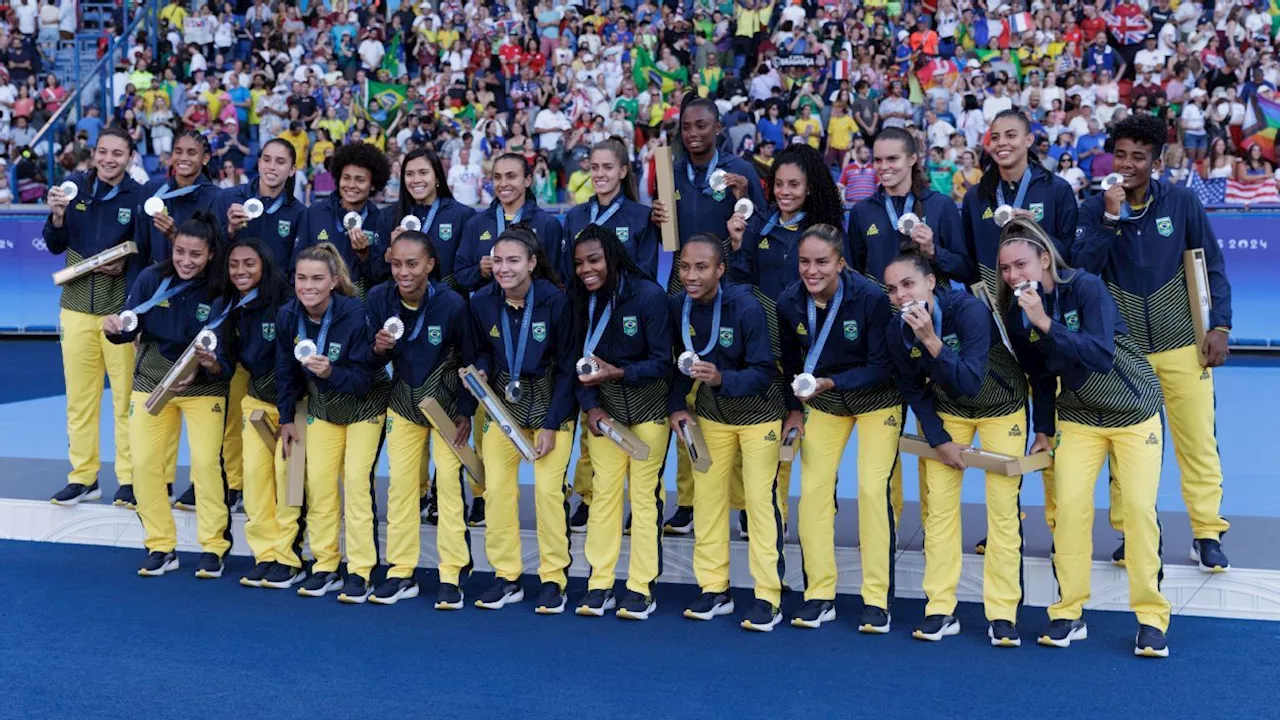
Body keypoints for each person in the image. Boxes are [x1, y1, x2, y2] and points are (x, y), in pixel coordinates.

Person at [997, 218, 1171, 658]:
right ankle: (1067, 613)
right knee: (1069, 511)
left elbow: (1099, 353)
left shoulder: (1087, 288)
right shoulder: (1016, 316)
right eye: (1005, 269)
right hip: (1078, 419)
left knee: (1136, 510)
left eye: (1021, 264)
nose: (1014, 276)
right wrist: (1043, 429)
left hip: (1135, 414)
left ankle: (1152, 618)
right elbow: (1037, 376)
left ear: (1044, 259)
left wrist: (1045, 322)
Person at [1073, 113, 1233, 572]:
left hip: (1183, 343)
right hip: (1123, 352)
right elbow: (1081, 269)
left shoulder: (1181, 203)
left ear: (1156, 162)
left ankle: (1206, 532)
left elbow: (1213, 268)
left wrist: (1219, 326)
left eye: (1138, 157)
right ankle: (1133, 533)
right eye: (1120, 155)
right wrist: (1108, 215)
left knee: (1197, 441)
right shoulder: (1093, 207)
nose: (1126, 165)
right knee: (1128, 450)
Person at [883, 249, 1029, 646]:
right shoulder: (895, 328)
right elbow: (913, 390)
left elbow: (969, 380)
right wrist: (939, 439)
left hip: (1001, 407)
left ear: (931, 281)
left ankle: (1002, 613)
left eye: (908, 284)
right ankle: (940, 609)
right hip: (949, 413)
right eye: (892, 289)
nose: (900, 296)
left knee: (1002, 512)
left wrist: (930, 339)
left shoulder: (969, 312)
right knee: (940, 513)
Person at [649, 96, 767, 535]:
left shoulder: (740, 169)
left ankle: (740, 501)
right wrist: (654, 217)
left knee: (733, 391)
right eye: (686, 127)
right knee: (685, 387)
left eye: (702, 126)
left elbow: (761, 225)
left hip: (732, 285)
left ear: (718, 128)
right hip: (686, 284)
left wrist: (743, 199)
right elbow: (663, 237)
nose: (693, 133)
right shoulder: (669, 171)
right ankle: (689, 499)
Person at [775, 224, 902, 633]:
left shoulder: (870, 299)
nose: (811, 271)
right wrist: (794, 408)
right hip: (823, 403)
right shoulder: (789, 301)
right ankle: (819, 594)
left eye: (822, 262)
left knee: (870, 489)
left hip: (877, 399)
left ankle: (877, 598)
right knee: (811, 493)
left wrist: (833, 382)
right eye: (804, 262)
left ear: (841, 263)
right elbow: (792, 364)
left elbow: (883, 367)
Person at [961, 109, 1076, 550]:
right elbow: (969, 262)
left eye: (1012, 134)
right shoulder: (977, 197)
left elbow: (1071, 255)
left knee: (1050, 431)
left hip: (1047, 324)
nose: (1002, 142)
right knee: (1008, 432)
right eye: (995, 136)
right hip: (998, 328)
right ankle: (1005, 528)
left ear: (1030, 139)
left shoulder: (1057, 190)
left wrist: (1036, 230)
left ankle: (1059, 528)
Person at [101, 212, 232, 578]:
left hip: (203, 389)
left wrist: (209, 365)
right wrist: (114, 329)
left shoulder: (221, 287)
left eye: (195, 254)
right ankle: (160, 545)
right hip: (151, 385)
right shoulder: (150, 278)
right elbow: (129, 325)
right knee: (143, 465)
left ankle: (214, 546)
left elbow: (225, 347)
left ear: (209, 255)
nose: (186, 261)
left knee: (205, 466)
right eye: (180, 252)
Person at [668, 234, 786, 632]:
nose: (691, 275)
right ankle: (714, 588)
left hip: (759, 418)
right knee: (708, 502)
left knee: (759, 505)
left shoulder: (746, 307)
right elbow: (670, 364)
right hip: (711, 418)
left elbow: (765, 371)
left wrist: (722, 378)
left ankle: (768, 596)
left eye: (701, 267)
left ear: (721, 270)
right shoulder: (678, 306)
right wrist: (675, 406)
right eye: (685, 266)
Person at [466, 225, 577, 614]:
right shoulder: (481, 302)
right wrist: (480, 369)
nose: (504, 268)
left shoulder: (556, 302)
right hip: (504, 410)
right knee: (496, 491)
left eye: (513, 260)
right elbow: (480, 350)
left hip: (550, 408)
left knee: (548, 493)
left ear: (532, 263)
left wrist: (551, 423)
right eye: (497, 260)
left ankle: (553, 578)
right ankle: (506, 575)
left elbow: (567, 367)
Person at [366, 230, 476, 608]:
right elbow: (370, 358)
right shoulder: (380, 298)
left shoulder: (453, 305)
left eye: (412, 263)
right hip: (403, 403)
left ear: (430, 264)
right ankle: (400, 571)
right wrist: (378, 351)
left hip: (446, 410)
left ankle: (451, 573)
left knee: (447, 484)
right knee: (400, 487)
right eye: (396, 264)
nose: (403, 272)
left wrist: (465, 410)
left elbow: (470, 360)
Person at [276, 243, 390, 602]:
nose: (307, 286)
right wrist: (285, 417)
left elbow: (364, 378)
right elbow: (285, 371)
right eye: (301, 278)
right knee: (319, 485)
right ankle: (325, 565)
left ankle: (360, 570)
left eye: (316, 279)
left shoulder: (356, 314)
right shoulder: (287, 315)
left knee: (356, 483)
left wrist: (331, 372)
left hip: (363, 407)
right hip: (323, 411)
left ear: (333, 282)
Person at [568, 225, 671, 620]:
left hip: (647, 415)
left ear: (612, 257)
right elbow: (572, 365)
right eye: (578, 263)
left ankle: (641, 586)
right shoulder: (580, 301)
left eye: (594, 260)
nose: (586, 270)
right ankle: (600, 583)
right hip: (605, 417)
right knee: (604, 497)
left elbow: (663, 362)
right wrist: (592, 407)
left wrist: (618, 374)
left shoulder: (648, 296)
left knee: (644, 501)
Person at [561, 136, 661, 529]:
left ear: (622, 171)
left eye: (608, 167)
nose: (600, 174)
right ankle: (587, 496)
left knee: (636, 409)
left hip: (629, 323)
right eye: (594, 167)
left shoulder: (640, 216)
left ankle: (644, 497)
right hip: (589, 321)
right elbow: (569, 276)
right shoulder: (573, 217)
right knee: (594, 411)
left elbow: (647, 272)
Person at [45, 127, 146, 507]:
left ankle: (129, 479)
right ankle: (84, 477)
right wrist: (56, 217)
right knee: (80, 400)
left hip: (117, 315)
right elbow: (56, 245)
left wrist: (126, 263)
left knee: (125, 401)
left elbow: (147, 254)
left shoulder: (139, 196)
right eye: (103, 152)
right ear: (94, 154)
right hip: (74, 310)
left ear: (130, 157)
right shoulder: (73, 188)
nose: (108, 159)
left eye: (117, 153)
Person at [218, 236, 301, 588]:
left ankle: (289, 557)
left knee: (289, 480)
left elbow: (292, 365)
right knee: (254, 477)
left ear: (264, 264)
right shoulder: (230, 306)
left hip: (294, 404)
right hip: (255, 402)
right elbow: (229, 359)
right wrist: (212, 362)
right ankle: (264, 553)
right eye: (234, 264)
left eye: (249, 263)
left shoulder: (287, 303)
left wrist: (288, 414)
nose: (241, 271)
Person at [847, 127, 969, 286]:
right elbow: (855, 275)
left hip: (929, 309)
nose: (883, 167)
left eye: (892, 159)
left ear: (912, 159)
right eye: (877, 160)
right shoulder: (862, 211)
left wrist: (933, 251)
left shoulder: (941, 205)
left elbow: (965, 270)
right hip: (881, 310)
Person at [454, 153, 567, 296]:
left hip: (533, 312)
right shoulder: (476, 224)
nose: (503, 183)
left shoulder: (547, 224)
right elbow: (460, 276)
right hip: (488, 314)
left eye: (511, 176)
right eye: (497, 177)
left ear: (527, 180)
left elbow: (556, 279)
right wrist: (480, 271)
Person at [293, 141, 393, 298]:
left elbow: (380, 277)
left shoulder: (380, 220)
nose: (351, 185)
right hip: (319, 304)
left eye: (360, 180)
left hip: (360, 309)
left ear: (373, 185)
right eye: (346, 178)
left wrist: (364, 255)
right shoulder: (314, 212)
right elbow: (297, 264)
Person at [382, 147, 477, 291]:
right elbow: (375, 273)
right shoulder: (389, 215)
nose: (416, 180)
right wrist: (391, 252)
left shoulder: (463, 215)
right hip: (402, 305)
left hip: (448, 307)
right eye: (409, 174)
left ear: (437, 176)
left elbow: (467, 274)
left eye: (423, 173)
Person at [137, 131, 222, 268]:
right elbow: (141, 245)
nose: (183, 157)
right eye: (178, 151)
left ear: (205, 159)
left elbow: (215, 251)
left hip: (197, 281)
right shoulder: (151, 190)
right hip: (155, 280)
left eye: (192, 153)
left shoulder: (217, 197)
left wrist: (174, 235)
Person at [217, 138, 305, 270]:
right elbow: (211, 250)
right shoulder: (229, 197)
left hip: (276, 289)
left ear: (292, 170)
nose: (271, 167)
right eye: (266, 160)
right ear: (259, 163)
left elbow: (295, 267)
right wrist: (230, 231)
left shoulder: (299, 213)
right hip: (235, 287)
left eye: (280, 162)